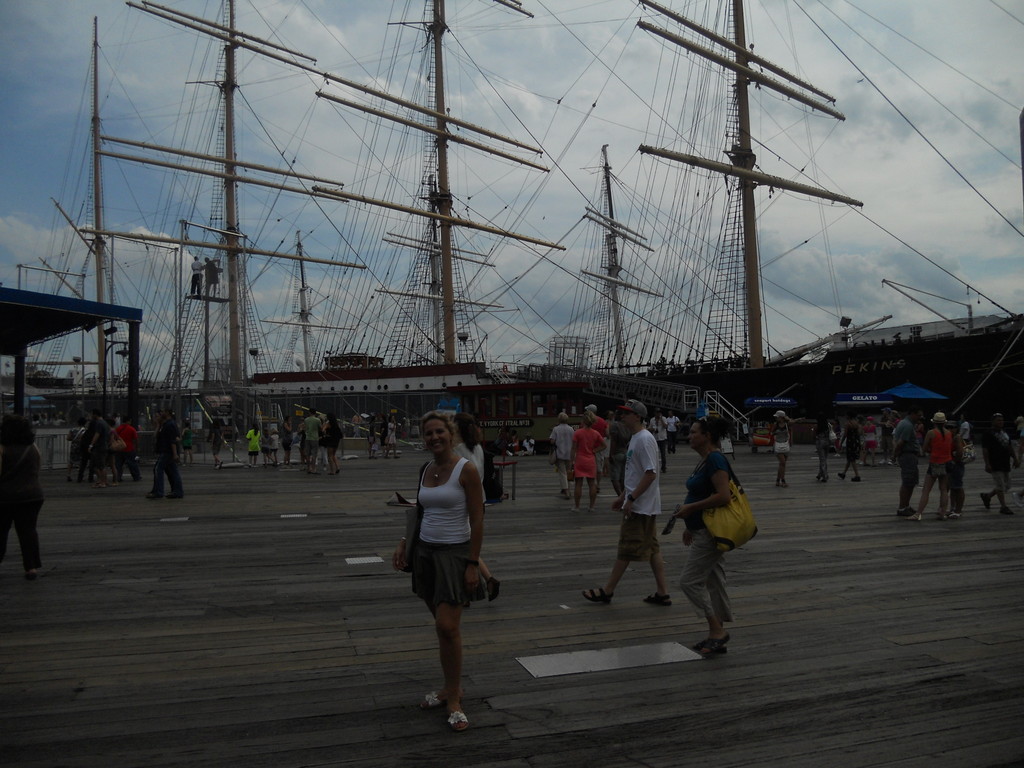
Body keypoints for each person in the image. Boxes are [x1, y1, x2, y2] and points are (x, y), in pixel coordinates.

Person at [391, 412, 484, 733]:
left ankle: (455, 698)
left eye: (439, 431)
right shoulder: (426, 468)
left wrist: (473, 563)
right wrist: (405, 542)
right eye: (428, 433)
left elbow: (478, 519)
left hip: (454, 554)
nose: (434, 437)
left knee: (447, 626)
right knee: (442, 628)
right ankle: (449, 687)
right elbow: (421, 509)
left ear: (451, 433)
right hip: (425, 553)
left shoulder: (466, 469)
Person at [582, 399, 670, 606]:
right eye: (621, 413)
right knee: (652, 548)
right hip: (642, 504)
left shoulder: (644, 439)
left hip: (640, 506)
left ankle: (608, 591)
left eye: (626, 413)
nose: (622, 416)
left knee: (626, 547)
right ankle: (662, 593)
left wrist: (631, 498)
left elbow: (650, 474)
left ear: (637, 416)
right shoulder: (637, 438)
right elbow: (635, 473)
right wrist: (623, 496)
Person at [665, 416, 735, 655]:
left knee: (689, 581)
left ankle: (717, 630)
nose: (689, 436)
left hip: (710, 533)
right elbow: (703, 493)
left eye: (694, 432)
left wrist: (691, 509)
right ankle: (716, 635)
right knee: (714, 582)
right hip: (701, 529)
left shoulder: (715, 459)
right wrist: (689, 525)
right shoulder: (706, 459)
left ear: (707, 436)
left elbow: (724, 496)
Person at [452, 412, 500, 601]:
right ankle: (489, 579)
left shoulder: (456, 450)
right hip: (480, 501)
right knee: (468, 545)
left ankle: (466, 590)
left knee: (460, 546)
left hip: (462, 503)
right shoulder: (478, 448)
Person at [0, 414, 44, 580]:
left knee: (1, 531)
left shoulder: (2, 448)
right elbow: (37, 469)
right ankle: (31, 567)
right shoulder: (32, 447)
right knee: (28, 531)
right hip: (32, 494)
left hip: (5, 497)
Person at [909, 412, 953, 521]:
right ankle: (942, 513)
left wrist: (930, 450)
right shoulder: (949, 433)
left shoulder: (931, 433)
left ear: (934, 422)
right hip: (947, 462)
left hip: (935, 463)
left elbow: (924, 449)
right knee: (944, 489)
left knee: (926, 490)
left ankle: (918, 513)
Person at [979, 412, 1020, 515]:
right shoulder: (988, 434)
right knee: (1000, 484)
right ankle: (1003, 506)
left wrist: (1015, 458)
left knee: (1006, 485)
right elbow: (985, 449)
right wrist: (987, 463)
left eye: (1002, 420)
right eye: (998, 420)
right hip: (995, 462)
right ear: (992, 421)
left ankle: (987, 496)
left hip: (1005, 461)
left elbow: (1009, 446)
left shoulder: (1004, 433)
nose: (1001, 422)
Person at [571, 410, 606, 513]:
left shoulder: (577, 433)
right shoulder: (595, 433)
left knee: (578, 484)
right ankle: (591, 506)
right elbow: (604, 445)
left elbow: (573, 448)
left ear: (584, 420)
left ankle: (577, 506)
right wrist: (594, 450)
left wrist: (571, 461)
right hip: (590, 459)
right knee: (592, 484)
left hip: (580, 459)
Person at [147, 409, 184, 499]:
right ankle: (177, 491)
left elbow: (172, 440)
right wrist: (158, 425)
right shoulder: (165, 425)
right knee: (172, 471)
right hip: (167, 451)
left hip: (168, 451)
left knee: (158, 469)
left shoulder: (169, 425)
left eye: (163, 412)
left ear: (167, 413)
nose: (161, 414)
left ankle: (159, 491)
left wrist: (175, 454)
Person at [894, 407, 923, 517]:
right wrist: (894, 455)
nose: (920, 417)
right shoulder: (908, 425)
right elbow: (901, 442)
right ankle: (902, 507)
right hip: (908, 455)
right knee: (907, 482)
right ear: (912, 414)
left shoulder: (903, 423)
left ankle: (905, 506)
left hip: (907, 455)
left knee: (910, 482)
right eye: (918, 415)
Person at [548, 412, 574, 499]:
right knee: (569, 472)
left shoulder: (556, 429)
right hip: (569, 453)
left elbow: (552, 441)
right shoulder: (571, 429)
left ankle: (566, 490)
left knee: (562, 473)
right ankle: (569, 489)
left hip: (560, 453)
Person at [945, 416, 967, 519]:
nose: (950, 429)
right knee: (953, 488)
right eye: (948, 427)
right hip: (951, 464)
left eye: (952, 427)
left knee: (958, 487)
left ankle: (958, 510)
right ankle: (953, 508)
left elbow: (959, 452)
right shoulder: (950, 437)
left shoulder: (956, 437)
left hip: (956, 465)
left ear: (956, 428)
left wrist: (953, 462)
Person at [606, 410, 631, 496]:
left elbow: (613, 441)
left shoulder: (615, 426)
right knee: (623, 477)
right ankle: (624, 496)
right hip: (626, 452)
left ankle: (620, 496)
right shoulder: (627, 426)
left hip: (617, 453)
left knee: (615, 478)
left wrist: (611, 454)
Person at [86, 409, 111, 488]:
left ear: (95, 414)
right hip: (104, 445)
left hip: (99, 446)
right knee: (102, 465)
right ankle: (104, 481)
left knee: (100, 466)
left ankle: (102, 482)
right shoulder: (105, 423)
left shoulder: (99, 423)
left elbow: (97, 434)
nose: (91, 416)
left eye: (92, 414)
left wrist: (91, 445)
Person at [114, 416, 142, 482]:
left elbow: (114, 438)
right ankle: (136, 477)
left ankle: (118, 477)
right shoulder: (131, 429)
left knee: (118, 464)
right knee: (132, 463)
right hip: (129, 448)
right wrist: (137, 447)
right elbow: (135, 439)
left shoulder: (117, 429)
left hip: (119, 448)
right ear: (128, 421)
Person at [837, 413, 862, 482]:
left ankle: (857, 475)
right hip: (856, 442)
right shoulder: (856, 423)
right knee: (850, 459)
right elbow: (859, 433)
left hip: (850, 442)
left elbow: (845, 435)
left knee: (852, 459)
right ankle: (843, 473)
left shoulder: (848, 424)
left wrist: (841, 443)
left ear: (848, 416)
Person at [771, 410, 792, 487]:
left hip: (786, 445)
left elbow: (793, 422)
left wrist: (788, 419)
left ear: (781, 417)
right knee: (783, 463)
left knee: (782, 465)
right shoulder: (776, 425)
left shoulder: (787, 424)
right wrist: (776, 433)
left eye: (777, 417)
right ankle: (783, 481)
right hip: (778, 445)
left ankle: (777, 480)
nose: (776, 418)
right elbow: (771, 433)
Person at [648, 408, 668, 473]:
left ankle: (663, 467)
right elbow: (649, 428)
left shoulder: (664, 418)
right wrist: (653, 429)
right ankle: (654, 467)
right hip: (655, 439)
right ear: (655, 413)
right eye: (657, 412)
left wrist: (661, 419)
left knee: (663, 454)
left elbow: (665, 426)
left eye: (659, 412)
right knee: (654, 454)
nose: (658, 414)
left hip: (662, 438)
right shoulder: (652, 420)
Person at [66, 417, 86, 482]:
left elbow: (68, 438)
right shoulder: (85, 431)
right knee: (81, 462)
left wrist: (74, 439)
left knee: (71, 461)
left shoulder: (72, 430)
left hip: (73, 447)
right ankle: (80, 475)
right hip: (81, 447)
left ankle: (68, 475)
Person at [303, 409, 322, 473]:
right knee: (314, 454)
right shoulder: (317, 420)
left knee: (308, 454)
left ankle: (308, 468)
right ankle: (313, 469)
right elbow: (320, 428)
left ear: (309, 412)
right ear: (315, 413)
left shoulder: (306, 420)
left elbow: (305, 428)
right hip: (315, 438)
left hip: (307, 437)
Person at [814, 414, 830, 482]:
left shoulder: (817, 426)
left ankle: (825, 476)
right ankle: (820, 474)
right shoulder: (828, 426)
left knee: (822, 460)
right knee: (824, 459)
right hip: (827, 442)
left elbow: (814, 434)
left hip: (820, 442)